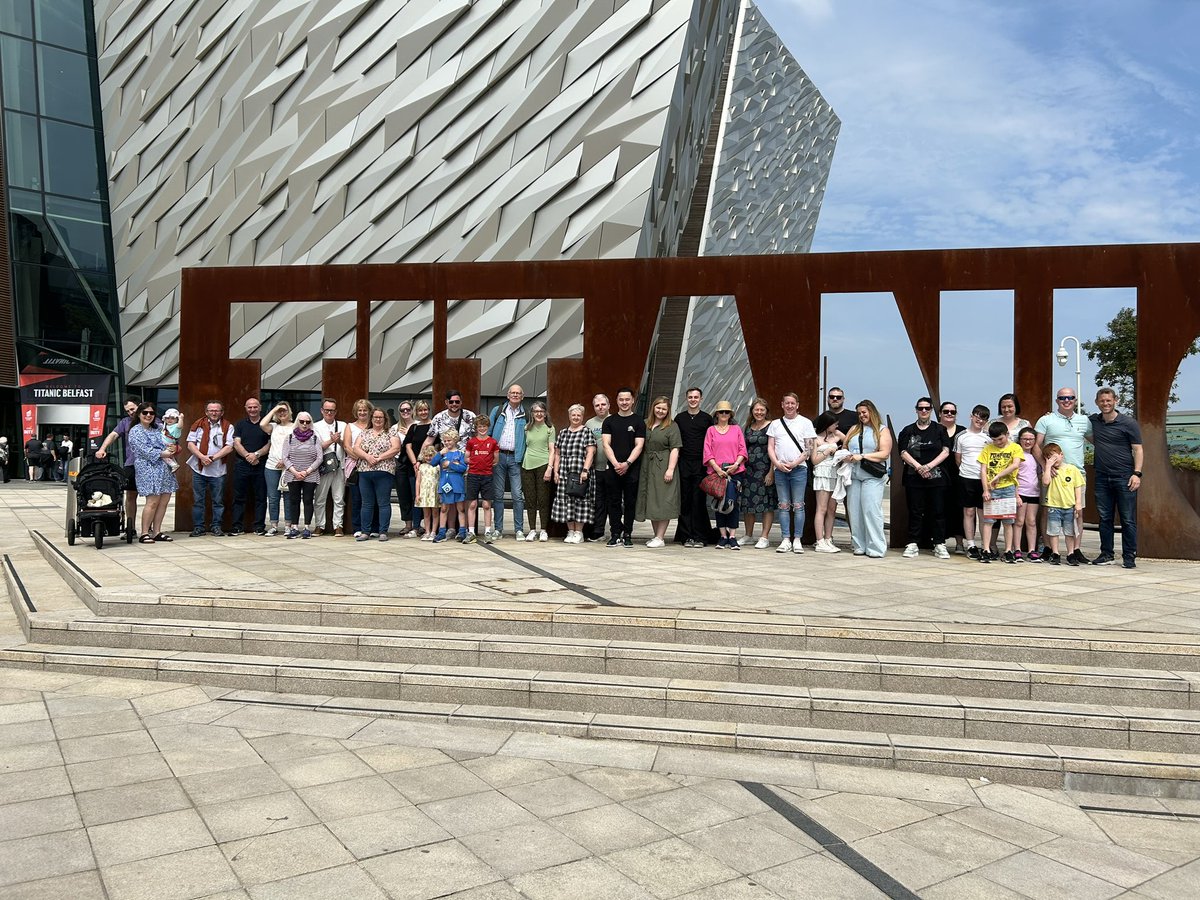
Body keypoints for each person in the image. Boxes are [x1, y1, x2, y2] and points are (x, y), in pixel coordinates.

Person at [1034, 387, 1092, 564]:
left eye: (1070, 397)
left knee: (1077, 512)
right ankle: (1049, 548)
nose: (1067, 401)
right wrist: (1045, 466)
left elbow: (1098, 440)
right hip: (1053, 474)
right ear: (1057, 400)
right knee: (1047, 511)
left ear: (1075, 400)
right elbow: (1036, 445)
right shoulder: (1046, 420)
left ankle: (1075, 550)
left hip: (1076, 474)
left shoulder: (1084, 421)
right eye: (1062, 398)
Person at [1089, 387, 1143, 569]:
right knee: (1105, 518)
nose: (1105, 403)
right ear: (1097, 402)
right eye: (1102, 401)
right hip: (1102, 477)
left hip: (1124, 477)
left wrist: (1137, 473)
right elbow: (1077, 425)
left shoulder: (1129, 423)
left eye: (1108, 400)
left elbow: (1138, 449)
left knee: (1127, 519)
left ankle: (1129, 556)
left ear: (1115, 401)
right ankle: (1107, 554)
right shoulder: (1093, 421)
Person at [898, 396, 952, 560]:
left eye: (927, 408)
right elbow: (903, 452)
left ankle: (939, 543)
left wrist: (928, 466)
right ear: (916, 410)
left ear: (931, 410)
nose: (923, 411)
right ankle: (912, 543)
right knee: (915, 511)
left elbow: (946, 451)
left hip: (937, 478)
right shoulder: (908, 430)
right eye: (920, 408)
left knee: (938, 511)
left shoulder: (940, 429)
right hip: (913, 478)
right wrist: (919, 467)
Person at [766, 392, 815, 554]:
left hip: (799, 469)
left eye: (792, 403)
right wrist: (777, 464)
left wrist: (795, 463)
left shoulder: (806, 423)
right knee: (783, 505)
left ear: (797, 405)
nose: (789, 406)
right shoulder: (775, 424)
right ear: (782, 405)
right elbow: (771, 447)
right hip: (780, 470)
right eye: (787, 403)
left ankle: (797, 539)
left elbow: (808, 449)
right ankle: (786, 538)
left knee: (799, 505)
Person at [845, 400, 892, 558]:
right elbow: (845, 446)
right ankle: (859, 545)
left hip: (873, 475)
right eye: (859, 413)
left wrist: (863, 456)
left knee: (871, 510)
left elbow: (884, 453)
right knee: (854, 511)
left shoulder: (882, 430)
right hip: (854, 475)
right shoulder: (854, 429)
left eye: (864, 412)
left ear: (872, 412)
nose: (862, 415)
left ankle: (876, 547)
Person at [127, 402, 178, 543]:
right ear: (139, 414)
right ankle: (144, 532)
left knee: (164, 500)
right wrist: (163, 453)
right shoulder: (135, 431)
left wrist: (174, 447)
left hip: (165, 468)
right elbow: (142, 450)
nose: (148, 415)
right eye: (145, 413)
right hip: (148, 468)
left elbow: (172, 438)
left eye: (151, 413)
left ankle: (157, 531)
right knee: (153, 501)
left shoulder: (160, 428)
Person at [635, 396, 681, 548]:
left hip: (663, 464)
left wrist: (670, 469)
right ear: (653, 408)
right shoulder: (645, 424)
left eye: (664, 409)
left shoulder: (672, 426)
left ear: (668, 411)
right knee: (652, 500)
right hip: (647, 465)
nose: (660, 411)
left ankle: (660, 537)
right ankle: (656, 535)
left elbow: (675, 448)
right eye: (658, 408)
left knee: (662, 500)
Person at [602, 387, 645, 548]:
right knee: (613, 502)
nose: (624, 402)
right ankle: (615, 533)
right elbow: (606, 444)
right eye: (621, 399)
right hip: (613, 468)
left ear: (632, 400)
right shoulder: (609, 421)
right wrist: (615, 464)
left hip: (631, 468)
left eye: (627, 399)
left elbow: (639, 445)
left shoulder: (638, 421)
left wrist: (627, 463)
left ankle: (627, 534)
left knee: (630, 502)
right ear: (617, 401)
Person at [673, 387, 716, 548]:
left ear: (701, 399)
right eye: (690, 397)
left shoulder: (706, 419)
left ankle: (700, 536)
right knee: (685, 500)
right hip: (683, 463)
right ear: (686, 399)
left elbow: (712, 442)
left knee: (698, 500)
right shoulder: (679, 418)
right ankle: (686, 536)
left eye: (696, 397)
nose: (693, 400)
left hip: (701, 464)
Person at [185, 401, 234, 536]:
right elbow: (190, 444)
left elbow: (229, 446)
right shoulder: (197, 425)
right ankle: (198, 527)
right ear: (206, 412)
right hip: (199, 469)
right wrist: (202, 457)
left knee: (218, 501)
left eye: (217, 410)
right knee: (198, 501)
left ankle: (216, 526)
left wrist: (212, 458)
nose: (214, 413)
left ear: (221, 413)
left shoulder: (228, 426)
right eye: (211, 410)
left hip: (218, 470)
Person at [704, 401, 748, 549]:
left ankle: (733, 536)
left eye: (726, 412)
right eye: (721, 412)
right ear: (716, 414)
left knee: (733, 503)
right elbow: (707, 451)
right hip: (717, 473)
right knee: (719, 504)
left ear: (730, 415)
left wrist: (736, 464)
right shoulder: (711, 430)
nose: (724, 414)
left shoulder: (736, 429)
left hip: (735, 472)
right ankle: (723, 535)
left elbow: (742, 449)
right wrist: (717, 468)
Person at [979, 421, 1024, 564]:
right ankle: (986, 549)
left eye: (1000, 439)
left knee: (1008, 521)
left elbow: (1015, 465)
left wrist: (998, 476)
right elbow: (983, 470)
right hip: (992, 489)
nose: (998, 442)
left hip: (1008, 487)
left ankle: (1008, 550)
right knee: (988, 521)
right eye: (994, 440)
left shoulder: (1015, 447)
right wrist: (985, 489)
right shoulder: (988, 449)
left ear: (1007, 434)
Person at [552, 404, 597, 543]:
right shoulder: (563, 433)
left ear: (582, 417)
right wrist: (556, 471)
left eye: (578, 415)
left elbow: (590, 452)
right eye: (573, 415)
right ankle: (570, 531)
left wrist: (585, 470)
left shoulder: (586, 432)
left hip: (579, 470)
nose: (576, 417)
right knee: (567, 501)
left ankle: (579, 533)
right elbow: (557, 454)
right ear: (569, 416)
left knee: (580, 501)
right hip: (564, 471)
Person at [354, 408, 401, 541]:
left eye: (381, 417)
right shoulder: (365, 432)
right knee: (366, 503)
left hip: (384, 471)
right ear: (371, 418)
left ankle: (383, 531)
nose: (378, 419)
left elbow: (396, 448)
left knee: (383, 503)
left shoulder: (391, 432)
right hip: (365, 471)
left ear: (385, 419)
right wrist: (367, 457)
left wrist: (380, 457)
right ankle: (365, 532)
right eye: (375, 417)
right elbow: (356, 447)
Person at [95, 397, 144, 523]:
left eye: (132, 409)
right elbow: (113, 435)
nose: (130, 412)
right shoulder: (125, 422)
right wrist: (102, 449)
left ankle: (149, 526)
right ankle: (131, 526)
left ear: (140, 406)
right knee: (130, 495)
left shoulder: (152, 419)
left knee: (152, 497)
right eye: (128, 411)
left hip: (151, 464)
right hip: (131, 463)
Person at [488, 385, 526, 540]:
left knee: (517, 495)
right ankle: (498, 529)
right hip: (499, 456)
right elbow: (488, 432)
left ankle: (519, 530)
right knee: (498, 494)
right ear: (508, 395)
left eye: (518, 393)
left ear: (522, 396)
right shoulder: (497, 411)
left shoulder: (526, 414)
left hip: (516, 458)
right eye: (513, 393)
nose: (515, 395)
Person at [955, 405, 990, 560]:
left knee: (983, 514)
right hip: (966, 478)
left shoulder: (988, 437)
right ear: (971, 416)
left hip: (984, 480)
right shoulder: (961, 436)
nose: (979, 420)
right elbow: (958, 458)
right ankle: (970, 544)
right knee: (968, 512)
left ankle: (985, 546)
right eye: (977, 416)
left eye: (983, 418)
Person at [230, 397, 269, 535]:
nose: (253, 409)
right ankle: (237, 526)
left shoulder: (266, 424)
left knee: (261, 497)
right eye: (250, 407)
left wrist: (256, 455)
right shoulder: (240, 424)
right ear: (246, 409)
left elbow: (270, 443)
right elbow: (236, 443)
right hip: (242, 464)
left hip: (261, 464)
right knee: (239, 497)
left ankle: (259, 527)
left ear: (260, 407)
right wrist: (248, 456)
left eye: (255, 407)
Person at [741, 398, 776, 549]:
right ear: (752, 411)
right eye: (757, 409)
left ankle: (764, 536)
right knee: (748, 503)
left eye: (762, 410)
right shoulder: (749, 426)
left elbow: (775, 449)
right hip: (749, 471)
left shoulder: (772, 426)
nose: (759, 412)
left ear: (766, 411)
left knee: (766, 504)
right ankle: (748, 535)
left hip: (765, 470)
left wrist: (771, 472)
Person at [1041, 442, 1083, 566]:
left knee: (1070, 531)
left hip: (1069, 506)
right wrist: (1048, 467)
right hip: (1054, 506)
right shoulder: (1050, 471)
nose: (1053, 460)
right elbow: (1045, 482)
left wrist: (1078, 503)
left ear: (1061, 454)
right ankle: (1055, 553)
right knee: (1053, 531)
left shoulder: (1072, 469)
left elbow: (1078, 486)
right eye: (1049, 458)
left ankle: (1071, 553)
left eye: (1055, 456)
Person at [281, 412, 321, 539]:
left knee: (308, 500)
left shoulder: (315, 438)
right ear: (297, 422)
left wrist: (307, 471)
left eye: (307, 422)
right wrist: (295, 472)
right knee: (294, 500)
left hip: (310, 474)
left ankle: (307, 527)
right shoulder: (289, 438)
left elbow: (319, 458)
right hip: (293, 474)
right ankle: (294, 527)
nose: (304, 424)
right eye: (302, 421)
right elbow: (285, 457)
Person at [520, 402, 555, 542]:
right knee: (530, 499)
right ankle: (532, 530)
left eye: (541, 411)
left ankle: (544, 530)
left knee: (543, 499)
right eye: (536, 411)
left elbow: (552, 450)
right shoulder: (526, 428)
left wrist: (550, 468)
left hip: (543, 465)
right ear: (532, 413)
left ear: (545, 413)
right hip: (527, 466)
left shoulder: (550, 429)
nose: (539, 414)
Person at [810, 412, 845, 553]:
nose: (836, 426)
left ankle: (828, 538)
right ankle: (819, 540)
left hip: (834, 472)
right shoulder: (815, 439)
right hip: (822, 472)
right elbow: (814, 460)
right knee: (822, 508)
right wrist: (827, 451)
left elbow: (848, 440)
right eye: (834, 424)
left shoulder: (836, 435)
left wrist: (840, 448)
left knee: (832, 509)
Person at [312, 399, 346, 537]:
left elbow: (347, 445)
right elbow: (316, 447)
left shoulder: (342, 425)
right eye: (327, 410)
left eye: (332, 410)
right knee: (320, 498)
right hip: (323, 466)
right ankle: (319, 525)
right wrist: (332, 440)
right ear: (322, 410)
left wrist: (339, 441)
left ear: (336, 411)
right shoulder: (315, 426)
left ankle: (338, 525)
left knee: (339, 498)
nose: (329, 413)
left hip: (339, 465)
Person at [260, 402, 293, 535]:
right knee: (273, 497)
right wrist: (275, 409)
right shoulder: (273, 427)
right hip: (272, 466)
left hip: (289, 466)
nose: (282, 413)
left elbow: (296, 446)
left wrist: (285, 460)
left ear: (289, 412)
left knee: (288, 497)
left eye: (284, 410)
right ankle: (274, 525)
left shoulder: (295, 427)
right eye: (280, 411)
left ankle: (288, 525)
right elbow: (262, 424)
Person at [465, 415, 499, 544]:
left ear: (488, 427)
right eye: (480, 426)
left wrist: (486, 463)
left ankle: (488, 532)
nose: (482, 429)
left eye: (484, 426)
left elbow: (495, 460)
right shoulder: (471, 442)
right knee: (472, 504)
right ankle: (471, 532)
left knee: (486, 505)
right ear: (476, 428)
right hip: (473, 475)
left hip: (487, 475)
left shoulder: (493, 442)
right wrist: (475, 462)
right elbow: (466, 458)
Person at [939, 401, 966, 554]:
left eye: (952, 412)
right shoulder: (934, 430)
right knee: (939, 509)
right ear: (940, 413)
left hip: (959, 477)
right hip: (938, 476)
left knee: (959, 510)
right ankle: (939, 541)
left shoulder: (962, 432)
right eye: (946, 411)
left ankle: (960, 543)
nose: (949, 414)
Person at [343, 398, 374, 538]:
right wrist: (361, 457)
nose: (362, 412)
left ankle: (373, 527)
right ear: (356, 412)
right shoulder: (350, 426)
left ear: (369, 411)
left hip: (372, 466)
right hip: (355, 466)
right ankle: (358, 527)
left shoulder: (374, 425)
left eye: (365, 410)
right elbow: (347, 446)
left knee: (372, 499)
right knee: (357, 498)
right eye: (360, 410)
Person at [431, 428, 468, 543]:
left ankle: (462, 531)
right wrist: (440, 453)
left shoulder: (460, 454)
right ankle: (442, 532)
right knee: (444, 508)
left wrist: (450, 464)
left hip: (457, 484)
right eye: (445, 441)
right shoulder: (443, 454)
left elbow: (463, 468)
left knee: (461, 508)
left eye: (449, 440)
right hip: (445, 484)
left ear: (455, 440)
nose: (447, 443)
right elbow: (433, 463)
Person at [403, 400, 433, 535]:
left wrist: (424, 462)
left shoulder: (434, 426)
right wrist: (415, 463)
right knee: (416, 496)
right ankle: (416, 526)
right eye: (420, 410)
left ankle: (430, 527)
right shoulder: (414, 427)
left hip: (430, 467)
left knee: (430, 496)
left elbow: (436, 447)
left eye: (425, 409)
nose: (423, 412)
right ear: (416, 412)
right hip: (414, 466)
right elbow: (408, 446)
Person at [584, 394, 609, 542]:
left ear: (608, 405)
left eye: (603, 404)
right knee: (598, 501)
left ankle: (617, 531)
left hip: (613, 469)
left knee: (614, 501)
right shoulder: (589, 423)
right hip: (596, 469)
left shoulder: (614, 420)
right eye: (597, 405)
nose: (600, 407)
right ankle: (598, 531)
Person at [1014, 426, 1041, 561]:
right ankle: (1017, 549)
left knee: (1031, 522)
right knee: (1019, 521)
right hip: (1021, 492)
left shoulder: (1036, 456)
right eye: (1025, 439)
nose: (1028, 441)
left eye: (1031, 439)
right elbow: (1013, 476)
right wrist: (1016, 495)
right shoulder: (1017, 455)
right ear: (1020, 440)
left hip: (1034, 493)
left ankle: (1031, 550)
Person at [391, 401, 417, 536]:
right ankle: (408, 524)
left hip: (415, 463)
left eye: (408, 409)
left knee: (416, 494)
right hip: (400, 463)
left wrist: (409, 434)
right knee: (403, 494)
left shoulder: (418, 425)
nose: (405, 412)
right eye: (402, 410)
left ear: (412, 410)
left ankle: (418, 524)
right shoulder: (394, 428)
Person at [415, 445, 440, 542]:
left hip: (434, 492)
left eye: (430, 456)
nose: (428, 458)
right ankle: (427, 531)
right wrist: (417, 494)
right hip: (424, 493)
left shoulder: (437, 466)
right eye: (426, 456)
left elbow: (440, 479)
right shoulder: (421, 467)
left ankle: (433, 531)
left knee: (435, 512)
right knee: (426, 513)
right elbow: (418, 481)